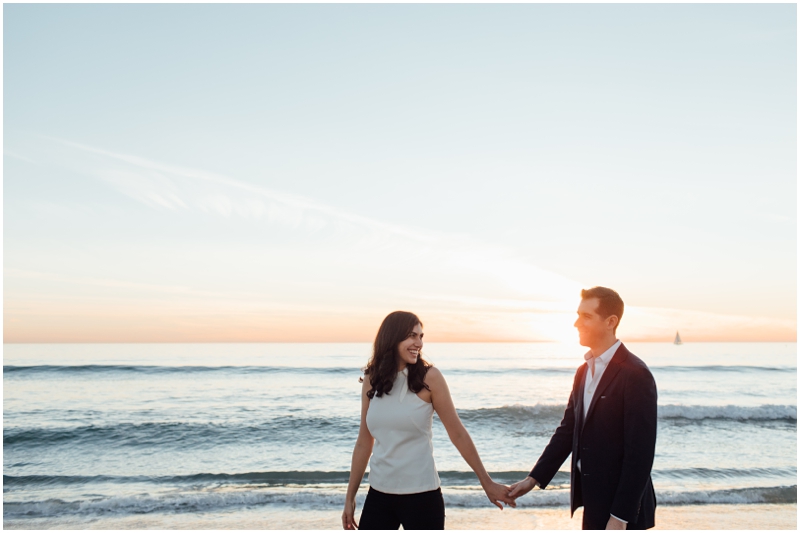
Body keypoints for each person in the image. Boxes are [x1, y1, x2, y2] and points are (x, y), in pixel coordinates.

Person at [342, 311, 514, 530]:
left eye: (421, 336)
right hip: (379, 495)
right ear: (393, 338)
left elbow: (458, 434)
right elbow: (364, 442)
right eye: (412, 336)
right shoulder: (372, 379)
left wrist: (486, 482)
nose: (419, 343)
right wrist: (350, 497)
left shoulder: (430, 378)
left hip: (422, 497)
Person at [508, 287, 658, 530]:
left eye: (587, 316)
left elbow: (640, 454)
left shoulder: (636, 374)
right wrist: (533, 479)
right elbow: (568, 430)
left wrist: (620, 518)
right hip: (593, 501)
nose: (577, 323)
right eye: (578, 315)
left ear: (611, 322)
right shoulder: (583, 372)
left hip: (624, 512)